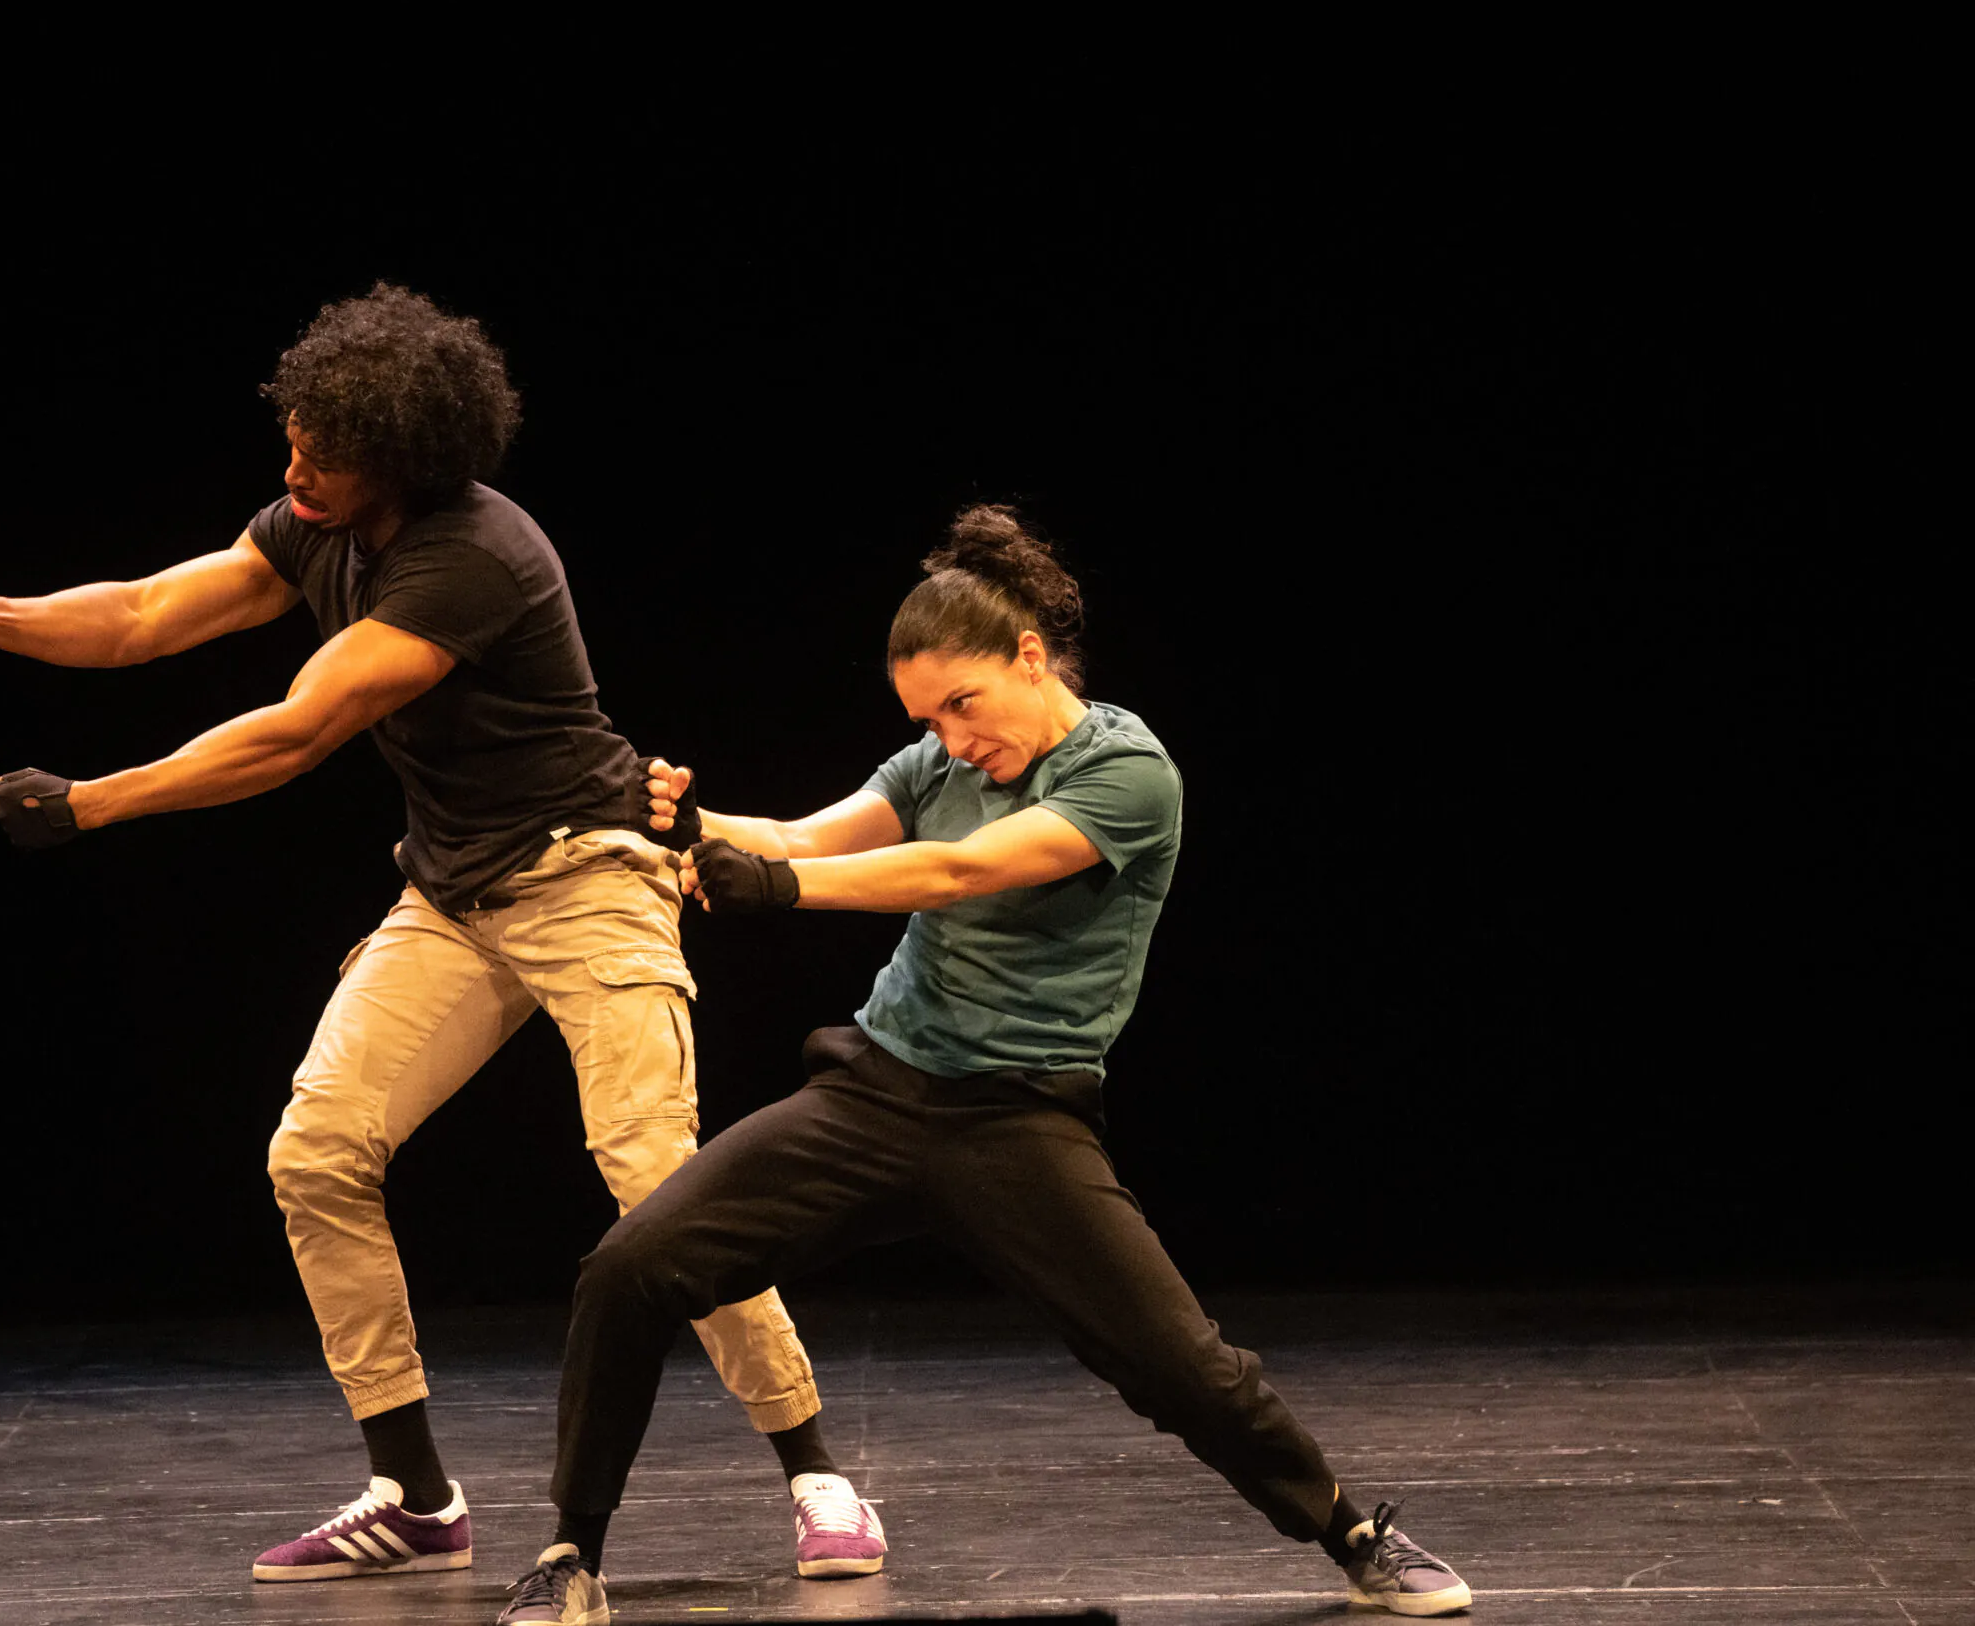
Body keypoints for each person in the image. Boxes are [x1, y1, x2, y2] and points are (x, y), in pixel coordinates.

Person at [0, 285, 876, 1585]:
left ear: (404, 458)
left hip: (590, 876)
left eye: (323, 451)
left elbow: (300, 728)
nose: (293, 465)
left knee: (656, 1180)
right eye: (293, 437)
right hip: (454, 901)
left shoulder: (473, 556)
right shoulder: (315, 520)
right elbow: (146, 613)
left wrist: (91, 802)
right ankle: (415, 1494)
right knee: (315, 1151)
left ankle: (818, 1471)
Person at [493, 506, 1473, 1623]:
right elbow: (811, 834)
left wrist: (780, 888)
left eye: (964, 704)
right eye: (926, 717)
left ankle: (1352, 1529)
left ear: (1030, 656)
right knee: (629, 1267)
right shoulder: (933, 757)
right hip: (874, 1090)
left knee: (1183, 1367)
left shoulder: (1128, 771)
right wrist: (690, 819)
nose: (952, 737)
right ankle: (571, 1552)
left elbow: (960, 870)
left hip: (1017, 1121)